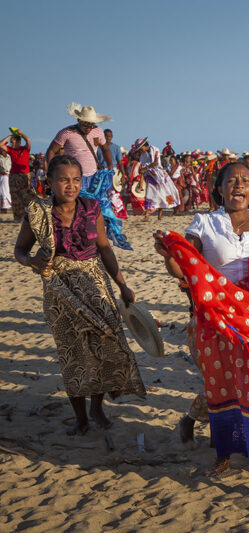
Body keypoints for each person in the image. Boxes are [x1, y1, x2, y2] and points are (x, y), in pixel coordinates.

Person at [153, 162, 249, 499]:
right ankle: (223, 455)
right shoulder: (204, 223)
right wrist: (170, 251)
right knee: (222, 389)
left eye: (246, 181)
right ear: (219, 188)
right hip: (216, 323)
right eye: (232, 180)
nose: (239, 185)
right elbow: (183, 262)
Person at [13, 155, 145, 436]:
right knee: (72, 353)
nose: (70, 186)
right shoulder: (38, 212)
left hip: (94, 284)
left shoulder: (91, 206)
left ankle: (97, 407)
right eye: (63, 180)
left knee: (107, 345)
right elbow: (20, 250)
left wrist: (122, 285)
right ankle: (81, 417)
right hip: (59, 288)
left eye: (75, 180)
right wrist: (30, 261)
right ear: (49, 182)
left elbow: (105, 248)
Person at [46, 103, 114, 190]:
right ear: (79, 120)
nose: (88, 129)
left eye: (90, 126)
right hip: (73, 177)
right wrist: (52, 171)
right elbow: (51, 151)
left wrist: (110, 166)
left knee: (93, 203)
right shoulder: (67, 133)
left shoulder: (98, 131)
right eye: (85, 125)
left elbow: (105, 150)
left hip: (94, 177)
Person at [130, 139, 180, 221]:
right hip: (150, 175)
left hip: (159, 175)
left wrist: (145, 169)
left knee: (162, 193)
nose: (140, 150)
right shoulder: (143, 155)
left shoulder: (155, 149)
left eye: (141, 148)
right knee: (149, 195)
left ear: (144, 146)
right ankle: (146, 215)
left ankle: (159, 215)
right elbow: (143, 167)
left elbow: (156, 163)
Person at [1, 130, 32, 220]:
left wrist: (21, 133)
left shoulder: (25, 149)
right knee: (15, 196)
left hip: (24, 175)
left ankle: (29, 215)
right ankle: (18, 217)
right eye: (11, 142)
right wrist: (10, 135)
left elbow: (28, 140)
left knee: (26, 195)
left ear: (19, 142)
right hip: (13, 175)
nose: (11, 144)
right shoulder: (10, 150)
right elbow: (0, 144)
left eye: (13, 142)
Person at [0, 145, 11, 213]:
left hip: (9, 176)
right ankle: (3, 209)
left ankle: (6, 209)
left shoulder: (9, 157)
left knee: (7, 192)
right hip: (2, 176)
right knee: (3, 192)